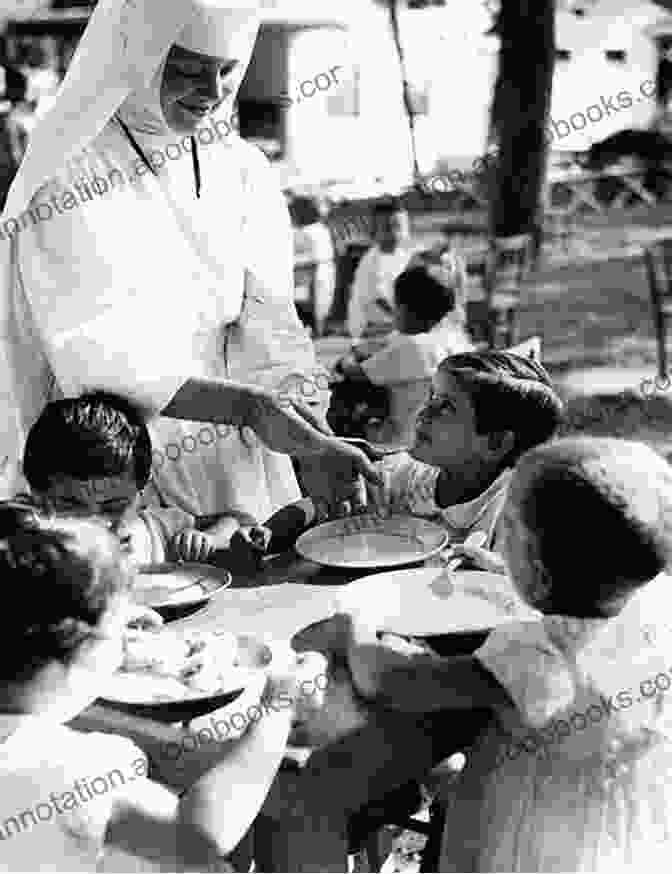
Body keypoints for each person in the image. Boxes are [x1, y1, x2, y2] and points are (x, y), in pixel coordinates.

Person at [0, 0, 377, 521]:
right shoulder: (68, 173)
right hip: (115, 468)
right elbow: (94, 356)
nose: (215, 90)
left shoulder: (242, 168)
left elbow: (271, 324)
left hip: (240, 459)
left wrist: (312, 436)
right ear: (136, 58)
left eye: (227, 70)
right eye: (187, 71)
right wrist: (253, 408)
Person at [344, 436, 672, 872]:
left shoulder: (537, 653)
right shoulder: (658, 606)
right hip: (621, 829)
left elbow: (388, 680)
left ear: (535, 567)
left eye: (511, 530)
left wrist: (354, 629)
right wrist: (509, 572)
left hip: (533, 842)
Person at [0, 500, 326, 872]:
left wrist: (110, 630)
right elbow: (200, 834)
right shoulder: (80, 769)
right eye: (114, 631)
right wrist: (278, 709)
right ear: (80, 648)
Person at [367, 351, 564, 565]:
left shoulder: (515, 515)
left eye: (446, 406)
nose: (425, 411)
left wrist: (495, 569)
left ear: (495, 444)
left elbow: (529, 585)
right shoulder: (402, 475)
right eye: (432, 396)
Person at [22, 392, 260, 565]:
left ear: (141, 491)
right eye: (70, 506)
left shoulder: (155, 530)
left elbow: (234, 521)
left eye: (113, 507)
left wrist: (208, 539)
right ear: (36, 496)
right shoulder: (24, 556)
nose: (97, 523)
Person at [335, 249, 473, 445]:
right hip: (446, 441)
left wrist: (350, 354)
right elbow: (391, 344)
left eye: (396, 307)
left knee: (347, 401)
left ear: (407, 311)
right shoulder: (454, 338)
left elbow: (353, 372)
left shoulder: (410, 346)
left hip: (405, 443)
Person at [346, 197, 416, 340]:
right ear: (374, 232)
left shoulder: (404, 256)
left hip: (393, 326)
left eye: (399, 227)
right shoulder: (371, 261)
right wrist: (405, 321)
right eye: (387, 228)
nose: (396, 233)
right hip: (371, 329)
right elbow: (378, 298)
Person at [290, 194, 336, 337]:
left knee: (319, 302)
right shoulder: (301, 231)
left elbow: (316, 257)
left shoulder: (316, 231)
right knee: (308, 304)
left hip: (318, 272)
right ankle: (314, 328)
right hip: (307, 273)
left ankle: (319, 328)